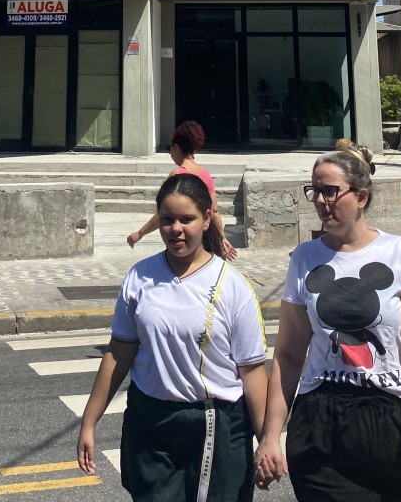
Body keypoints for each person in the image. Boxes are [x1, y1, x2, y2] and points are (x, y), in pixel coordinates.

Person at [254, 146, 401, 502]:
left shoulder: (400, 253)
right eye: (314, 191)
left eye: (330, 191)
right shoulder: (305, 259)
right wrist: (271, 436)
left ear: (361, 197)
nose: (321, 201)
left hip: (397, 420)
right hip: (324, 423)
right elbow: (288, 356)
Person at [78, 173, 268, 502]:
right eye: (167, 220)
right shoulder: (139, 277)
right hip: (150, 424)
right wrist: (89, 422)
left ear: (207, 219)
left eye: (187, 219)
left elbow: (252, 372)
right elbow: (119, 353)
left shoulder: (232, 286)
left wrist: (268, 440)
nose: (176, 229)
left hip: (215, 425)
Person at [127, 120, 238, 260]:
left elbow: (164, 212)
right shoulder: (204, 173)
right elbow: (214, 211)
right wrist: (222, 237)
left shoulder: (178, 174)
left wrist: (140, 233)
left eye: (170, 148)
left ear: (177, 148)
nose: (170, 153)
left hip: (183, 241)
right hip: (205, 240)